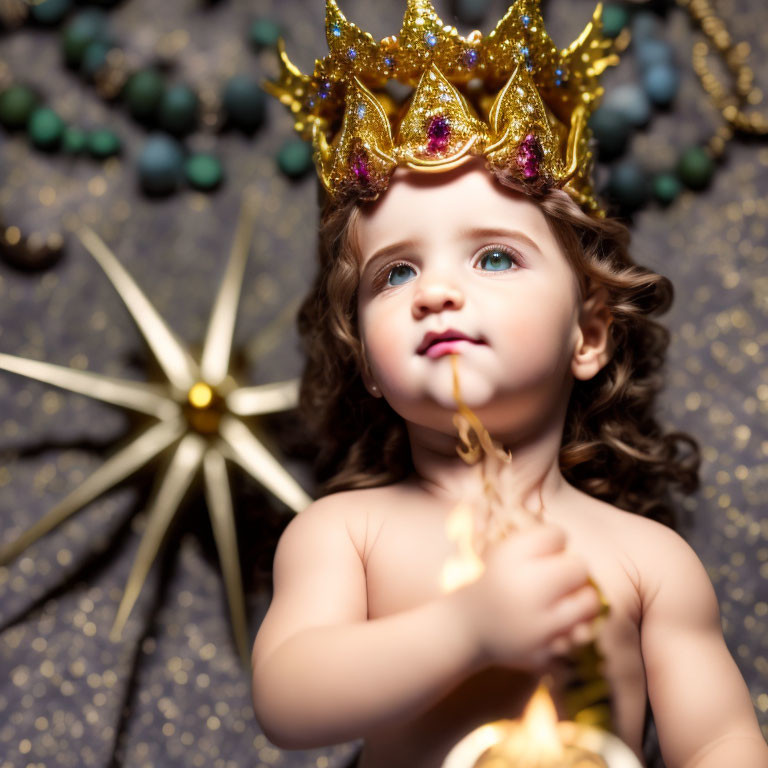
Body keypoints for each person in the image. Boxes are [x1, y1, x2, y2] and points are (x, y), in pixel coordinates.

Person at [252, 2, 768, 766]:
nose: (435, 294)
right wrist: (467, 629)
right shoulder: (346, 535)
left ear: (588, 334)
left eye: (494, 258)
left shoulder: (647, 560)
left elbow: (721, 737)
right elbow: (288, 698)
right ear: (365, 359)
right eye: (396, 273)